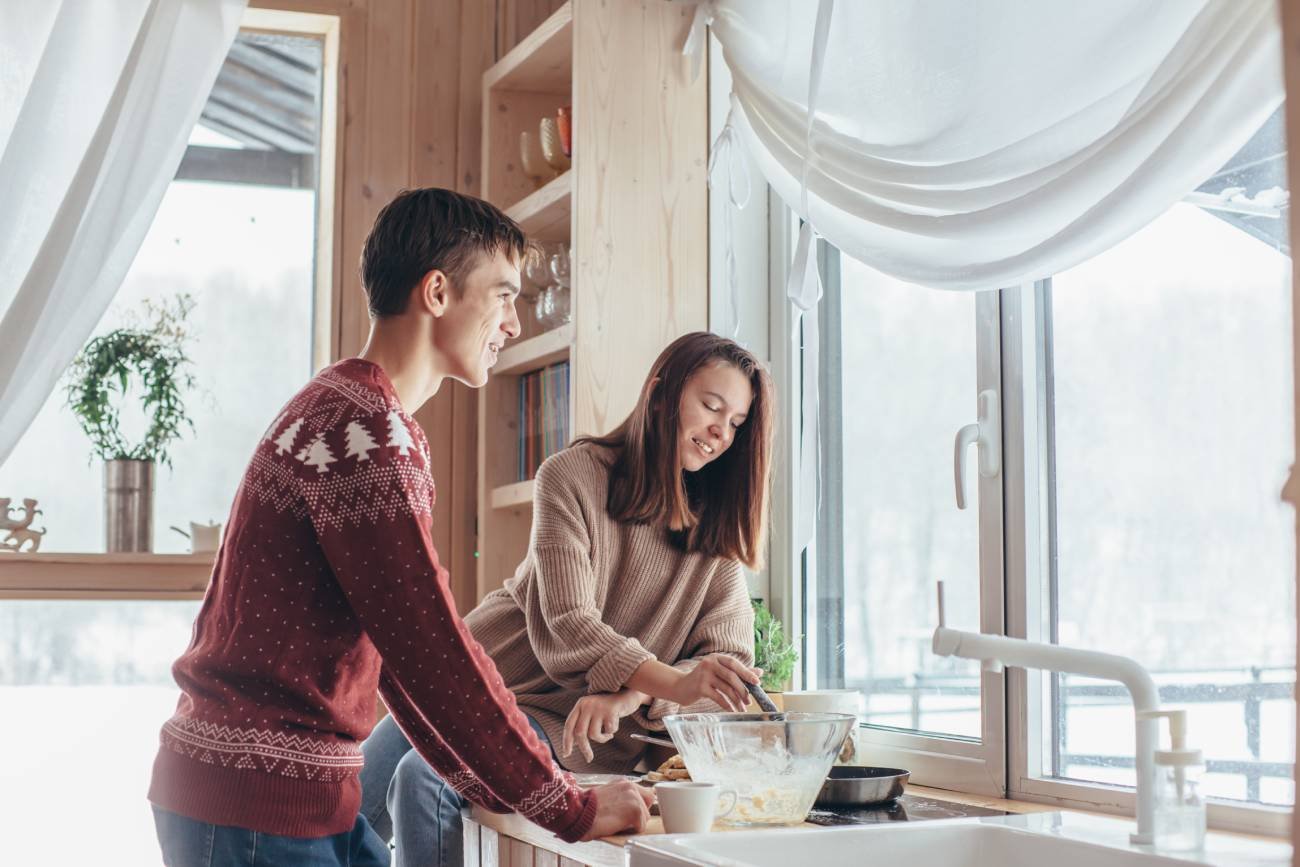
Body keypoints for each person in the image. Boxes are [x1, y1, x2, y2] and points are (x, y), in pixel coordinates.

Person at [147, 188, 652, 867]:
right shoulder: (365, 431)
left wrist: (501, 785)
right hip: (255, 807)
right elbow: (433, 648)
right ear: (438, 292)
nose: (513, 323)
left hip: (286, 795)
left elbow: (405, 658)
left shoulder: (349, 411)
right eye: (503, 296)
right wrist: (568, 805)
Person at [361, 331, 775, 867]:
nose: (720, 432)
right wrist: (665, 679)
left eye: (736, 423)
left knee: (426, 779)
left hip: (559, 719)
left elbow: (725, 672)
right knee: (340, 798)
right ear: (660, 393)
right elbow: (568, 625)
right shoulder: (573, 475)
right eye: (711, 407)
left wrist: (633, 695)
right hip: (482, 679)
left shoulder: (715, 535)